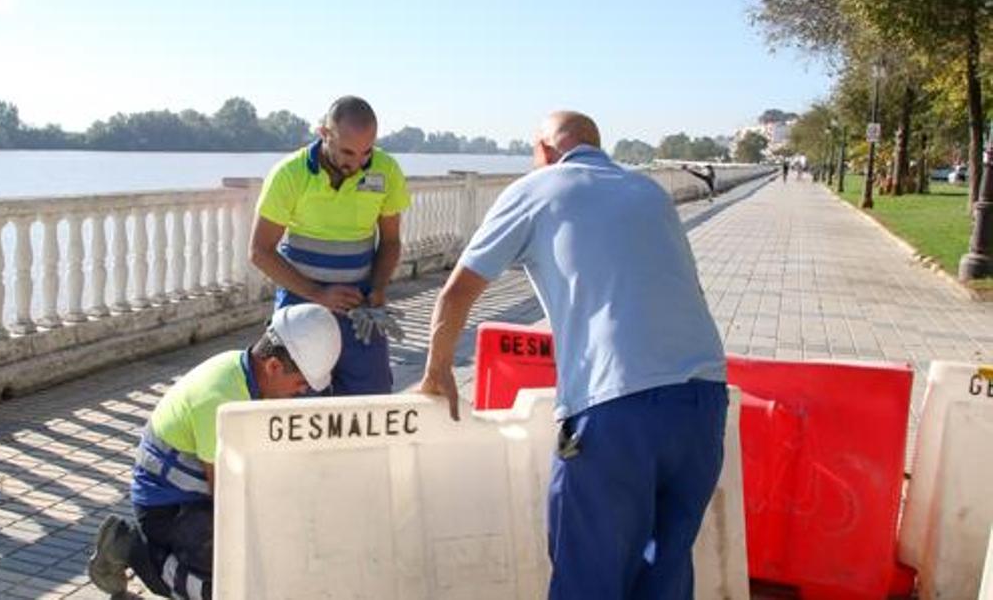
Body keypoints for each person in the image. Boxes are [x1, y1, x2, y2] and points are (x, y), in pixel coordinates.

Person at [419, 111, 728, 599]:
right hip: (703, 402)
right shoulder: (649, 191)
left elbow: (457, 292)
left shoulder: (537, 189)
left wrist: (437, 371)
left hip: (617, 405)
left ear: (544, 150)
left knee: (589, 574)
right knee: (664, 571)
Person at [87, 304, 343, 599]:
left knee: (262, 560)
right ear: (273, 366)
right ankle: (132, 546)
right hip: (166, 506)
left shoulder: (250, 378)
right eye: (300, 384)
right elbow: (226, 496)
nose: (301, 392)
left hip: (197, 497)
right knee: (224, 583)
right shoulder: (221, 399)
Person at [249, 95, 411, 395]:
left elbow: (390, 241)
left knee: (371, 400)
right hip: (301, 303)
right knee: (300, 402)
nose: (358, 162)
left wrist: (378, 288)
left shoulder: (385, 170)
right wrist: (318, 294)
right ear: (324, 133)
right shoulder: (289, 174)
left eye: (366, 152)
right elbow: (260, 251)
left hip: (360, 307)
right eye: (348, 151)